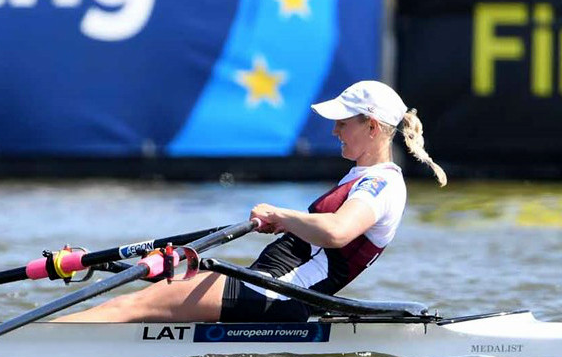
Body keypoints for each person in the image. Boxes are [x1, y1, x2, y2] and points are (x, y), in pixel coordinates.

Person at [53, 80, 446, 323]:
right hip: (269, 285)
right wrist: (286, 223)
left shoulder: (382, 184)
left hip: (276, 291)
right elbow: (319, 238)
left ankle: (21, 348)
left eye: (344, 122)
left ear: (373, 127)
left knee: (130, 307)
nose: (334, 130)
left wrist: (281, 214)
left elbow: (337, 233)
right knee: (157, 284)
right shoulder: (363, 178)